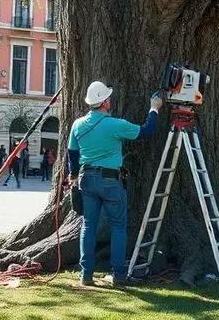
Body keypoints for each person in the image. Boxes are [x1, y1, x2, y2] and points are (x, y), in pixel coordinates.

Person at [67, 80, 162, 287]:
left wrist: (73, 175)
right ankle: (119, 275)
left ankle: (86, 275)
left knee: (88, 226)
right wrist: (154, 109)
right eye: (108, 98)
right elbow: (147, 131)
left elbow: (72, 154)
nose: (110, 100)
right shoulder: (115, 125)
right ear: (104, 102)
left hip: (86, 179)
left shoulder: (77, 124)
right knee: (118, 227)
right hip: (110, 180)